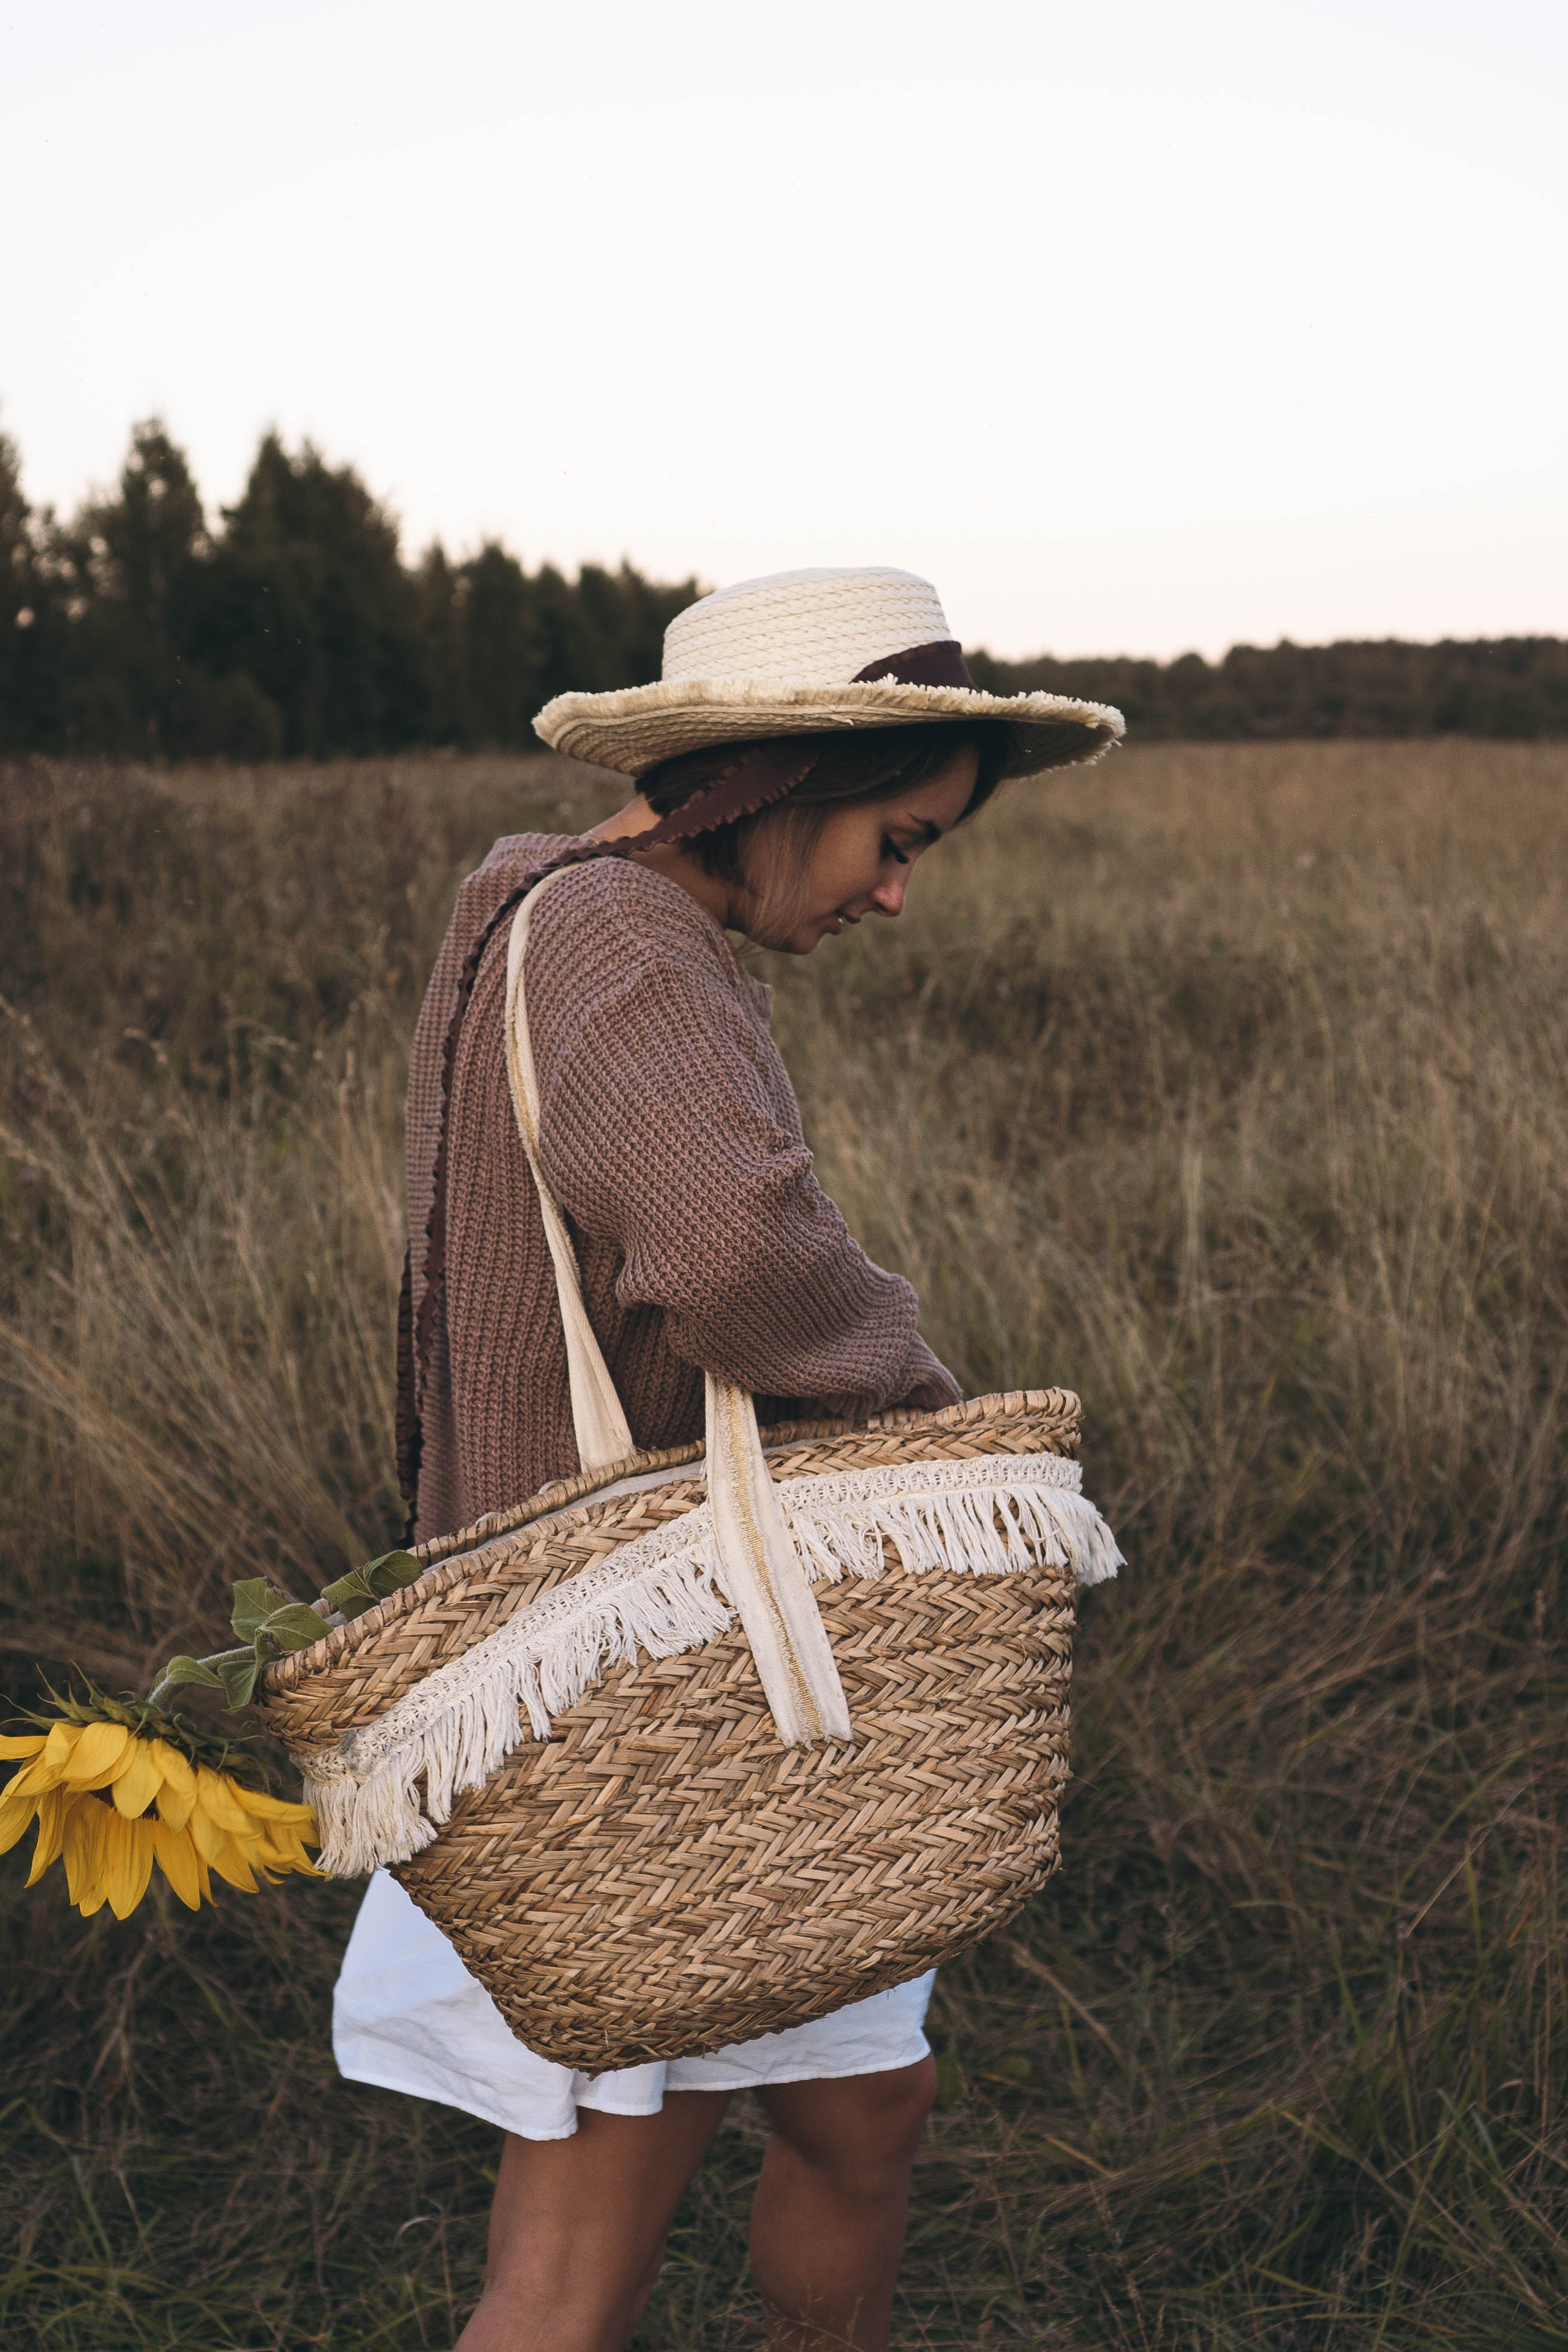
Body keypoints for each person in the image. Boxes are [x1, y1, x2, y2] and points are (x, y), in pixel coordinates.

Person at [332, 567, 1121, 2351]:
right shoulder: (619, 936)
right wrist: (937, 1426)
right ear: (770, 781)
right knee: (582, 2245)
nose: (902, 893)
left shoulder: (539, 903)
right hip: (660, 1679)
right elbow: (729, 1258)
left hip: (669, 1634)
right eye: (895, 838)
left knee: (859, 2115)